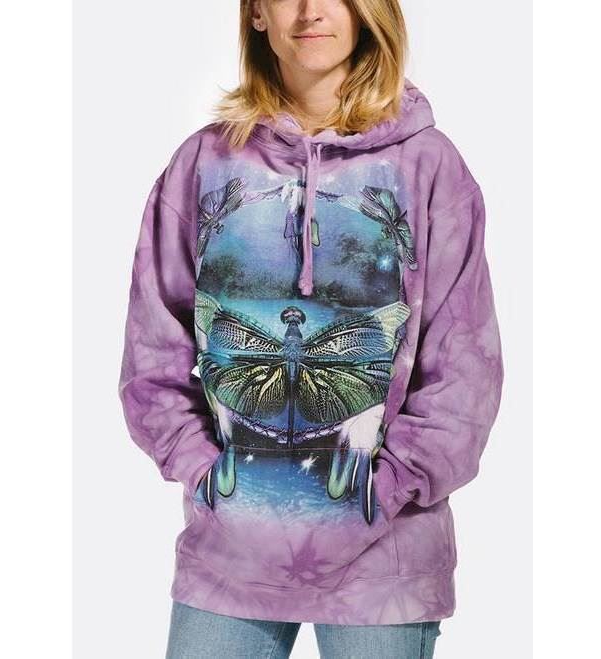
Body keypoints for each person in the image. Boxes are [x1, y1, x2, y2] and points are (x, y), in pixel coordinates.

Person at [117, 1, 504, 657]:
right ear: (257, 14)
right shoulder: (204, 164)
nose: (309, 10)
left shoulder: (428, 167)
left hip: (386, 566)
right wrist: (204, 471)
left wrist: (387, 487)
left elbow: (464, 368)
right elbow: (151, 353)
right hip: (227, 562)